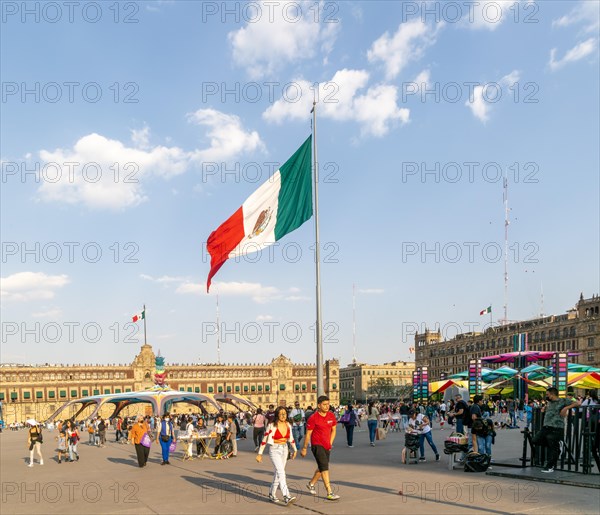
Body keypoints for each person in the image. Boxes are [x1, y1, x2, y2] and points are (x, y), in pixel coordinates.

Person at [300, 395, 340, 501]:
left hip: (327, 445)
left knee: (322, 467)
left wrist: (330, 443)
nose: (327, 406)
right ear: (319, 405)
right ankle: (329, 492)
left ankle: (311, 483)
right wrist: (304, 448)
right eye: (324, 404)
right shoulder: (313, 418)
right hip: (317, 445)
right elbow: (308, 434)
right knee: (325, 468)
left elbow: (334, 430)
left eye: (328, 404)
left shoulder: (331, 416)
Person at [533, 387, 580, 473]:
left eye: (547, 394)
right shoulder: (549, 402)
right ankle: (558, 446)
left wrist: (566, 408)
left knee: (552, 447)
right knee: (535, 440)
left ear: (552, 394)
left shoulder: (563, 401)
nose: (546, 396)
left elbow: (578, 403)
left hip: (557, 427)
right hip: (546, 426)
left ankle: (550, 466)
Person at [257, 406, 297, 505]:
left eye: (285, 413)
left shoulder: (288, 424)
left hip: (284, 449)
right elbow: (265, 439)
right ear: (277, 415)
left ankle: (272, 493)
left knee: (278, 474)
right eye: (281, 413)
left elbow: (291, 438)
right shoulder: (272, 425)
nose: (283, 415)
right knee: (281, 472)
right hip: (274, 449)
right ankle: (286, 496)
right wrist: (260, 453)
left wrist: (295, 449)